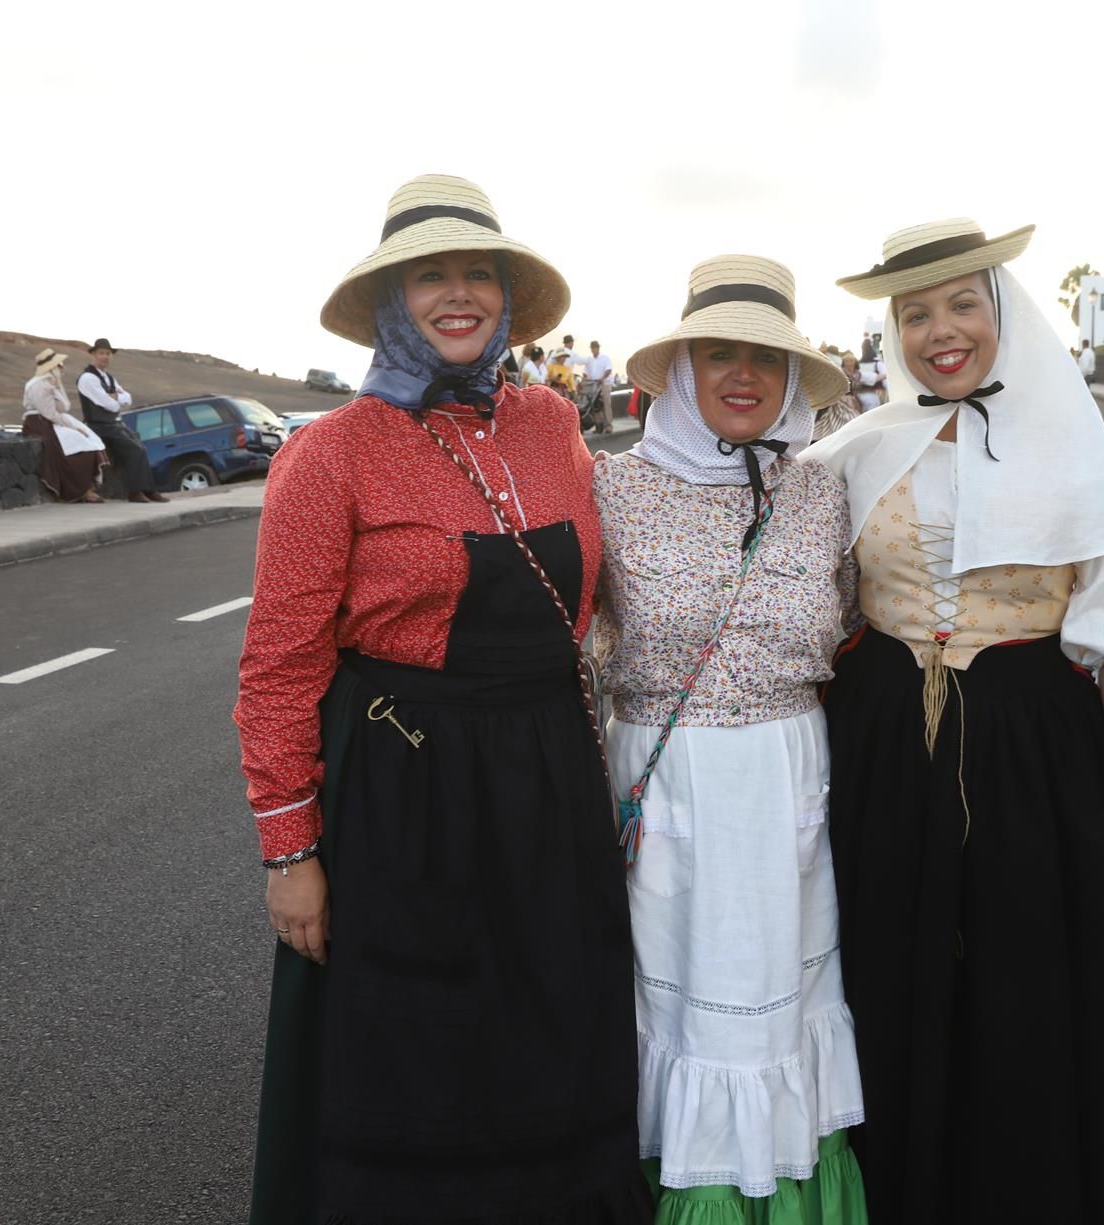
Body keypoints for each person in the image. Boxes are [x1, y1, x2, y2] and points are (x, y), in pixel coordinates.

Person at [235, 174, 649, 1225]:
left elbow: (611, 589)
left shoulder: (551, 423)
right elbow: (280, 664)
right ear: (391, 298)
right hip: (406, 794)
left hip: (549, 783)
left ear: (507, 297)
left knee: (553, 1024)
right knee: (422, 1052)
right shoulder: (328, 455)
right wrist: (292, 854)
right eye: (431, 277)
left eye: (478, 275)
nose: (457, 296)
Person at [807, 217, 1104, 1222]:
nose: (940, 330)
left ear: (999, 311)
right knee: (890, 976)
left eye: (959, 303)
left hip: (1035, 753)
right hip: (884, 746)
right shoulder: (854, 451)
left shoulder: (1074, 451)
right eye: (914, 312)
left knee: (1027, 998)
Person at [594, 254, 867, 1223]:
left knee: (776, 1006)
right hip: (668, 786)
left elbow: (848, 620)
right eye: (719, 352)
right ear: (680, 370)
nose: (742, 374)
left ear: (792, 376)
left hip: (788, 777)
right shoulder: (611, 489)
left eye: (764, 356)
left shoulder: (821, 492)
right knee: (678, 1002)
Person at [76, 339, 168, 502]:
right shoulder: (88, 378)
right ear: (93, 354)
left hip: (114, 424)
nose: (105, 357)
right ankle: (135, 492)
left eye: (108, 353)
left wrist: (116, 396)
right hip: (99, 426)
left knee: (141, 448)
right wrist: (116, 400)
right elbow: (108, 405)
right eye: (101, 353)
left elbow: (128, 398)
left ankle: (149, 490)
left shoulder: (109, 378)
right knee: (134, 450)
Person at [21, 348, 106, 503]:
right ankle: (79, 489)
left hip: (52, 420)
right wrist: (73, 428)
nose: (63, 367)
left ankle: (88, 487)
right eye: (60, 364)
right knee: (71, 446)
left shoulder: (51, 383)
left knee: (88, 441)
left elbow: (59, 409)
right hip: (40, 423)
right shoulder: (40, 385)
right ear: (52, 367)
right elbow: (49, 413)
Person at [813, 351, 864, 441]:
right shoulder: (841, 372)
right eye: (847, 361)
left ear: (855, 362)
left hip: (853, 397)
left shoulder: (858, 373)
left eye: (851, 361)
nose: (849, 363)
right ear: (844, 363)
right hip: (840, 398)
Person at [581, 339, 617, 434]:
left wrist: (602, 378)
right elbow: (585, 372)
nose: (594, 350)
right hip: (593, 384)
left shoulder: (605, 358)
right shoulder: (589, 360)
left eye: (595, 348)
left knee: (606, 404)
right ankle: (598, 426)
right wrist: (584, 378)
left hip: (604, 383)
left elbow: (608, 370)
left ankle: (608, 425)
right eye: (592, 348)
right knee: (595, 405)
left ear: (598, 348)